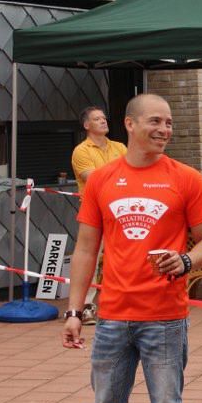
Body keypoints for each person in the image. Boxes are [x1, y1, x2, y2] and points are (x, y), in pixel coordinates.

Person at [51, 93, 202, 403]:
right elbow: (86, 248)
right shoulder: (102, 180)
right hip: (111, 318)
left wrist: (185, 260)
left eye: (169, 122)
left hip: (165, 318)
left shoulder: (186, 179)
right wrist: (74, 310)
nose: (164, 130)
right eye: (155, 121)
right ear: (129, 124)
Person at [71, 107, 126, 325]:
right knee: (90, 259)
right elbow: (94, 179)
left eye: (104, 118)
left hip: (121, 210)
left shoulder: (119, 147)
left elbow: (132, 172)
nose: (103, 121)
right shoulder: (81, 151)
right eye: (97, 119)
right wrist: (121, 176)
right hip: (95, 213)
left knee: (122, 257)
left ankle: (121, 304)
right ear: (87, 125)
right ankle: (85, 307)